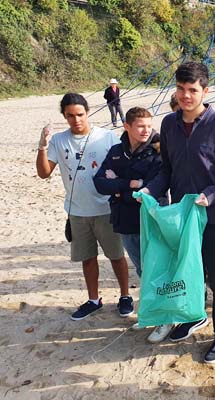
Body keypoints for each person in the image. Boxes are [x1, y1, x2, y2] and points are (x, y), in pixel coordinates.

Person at [139, 61, 215, 363]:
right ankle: (192, 315)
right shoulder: (170, 125)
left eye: (193, 90)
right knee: (186, 270)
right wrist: (151, 191)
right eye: (182, 89)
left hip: (213, 217)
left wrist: (211, 195)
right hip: (182, 217)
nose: (187, 96)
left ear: (204, 91)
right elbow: (167, 170)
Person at [36, 93, 132, 321]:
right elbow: (44, 173)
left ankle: (125, 296)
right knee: (87, 258)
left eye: (79, 114)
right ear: (64, 116)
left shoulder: (107, 137)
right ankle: (93, 299)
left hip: (107, 209)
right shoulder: (59, 141)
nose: (76, 120)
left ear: (87, 112)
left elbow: (124, 165)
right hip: (77, 211)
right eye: (70, 116)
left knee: (116, 256)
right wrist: (42, 146)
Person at [92, 107, 171, 343]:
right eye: (140, 126)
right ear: (127, 126)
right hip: (125, 223)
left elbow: (155, 188)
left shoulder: (158, 152)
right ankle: (151, 313)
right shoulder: (117, 151)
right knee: (143, 271)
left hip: (151, 221)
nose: (146, 130)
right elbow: (99, 184)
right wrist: (131, 184)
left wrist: (119, 187)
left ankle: (166, 317)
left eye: (149, 125)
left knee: (158, 270)